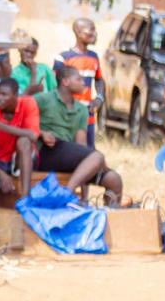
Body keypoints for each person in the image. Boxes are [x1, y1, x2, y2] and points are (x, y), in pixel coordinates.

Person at [34, 65, 122, 204]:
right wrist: (41, 133)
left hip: (68, 154)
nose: (84, 83)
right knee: (97, 157)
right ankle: (66, 194)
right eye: (79, 79)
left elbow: (81, 146)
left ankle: (108, 217)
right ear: (65, 82)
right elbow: (22, 117)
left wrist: (85, 195)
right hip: (47, 151)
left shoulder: (81, 109)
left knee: (114, 179)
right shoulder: (44, 99)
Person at [0, 77, 38, 199]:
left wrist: (0, 126)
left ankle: (25, 196)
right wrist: (0, 174)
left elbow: (33, 136)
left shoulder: (27, 103)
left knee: (24, 141)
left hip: (20, 159)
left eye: (4, 94)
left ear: (15, 95)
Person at [55, 18, 103, 146]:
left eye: (95, 29)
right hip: (68, 114)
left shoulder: (94, 57)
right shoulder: (64, 57)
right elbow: (55, 86)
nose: (94, 33)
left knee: (88, 150)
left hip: (88, 114)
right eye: (91, 29)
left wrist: (99, 97)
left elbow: (99, 80)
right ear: (78, 31)